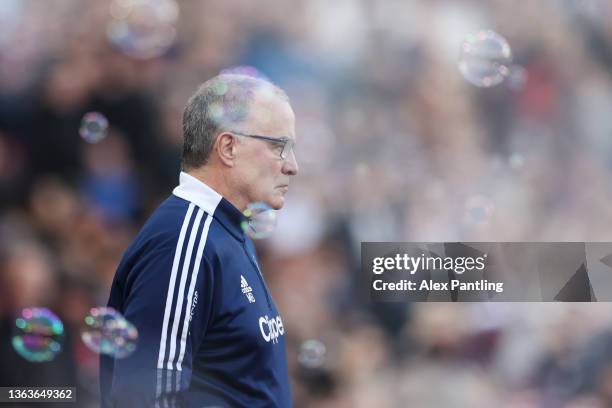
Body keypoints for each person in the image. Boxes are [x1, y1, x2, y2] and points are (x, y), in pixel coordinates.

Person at [100, 73, 299, 407]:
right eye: (280, 147)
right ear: (228, 147)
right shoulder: (183, 241)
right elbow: (146, 398)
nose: (293, 166)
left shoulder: (226, 229)